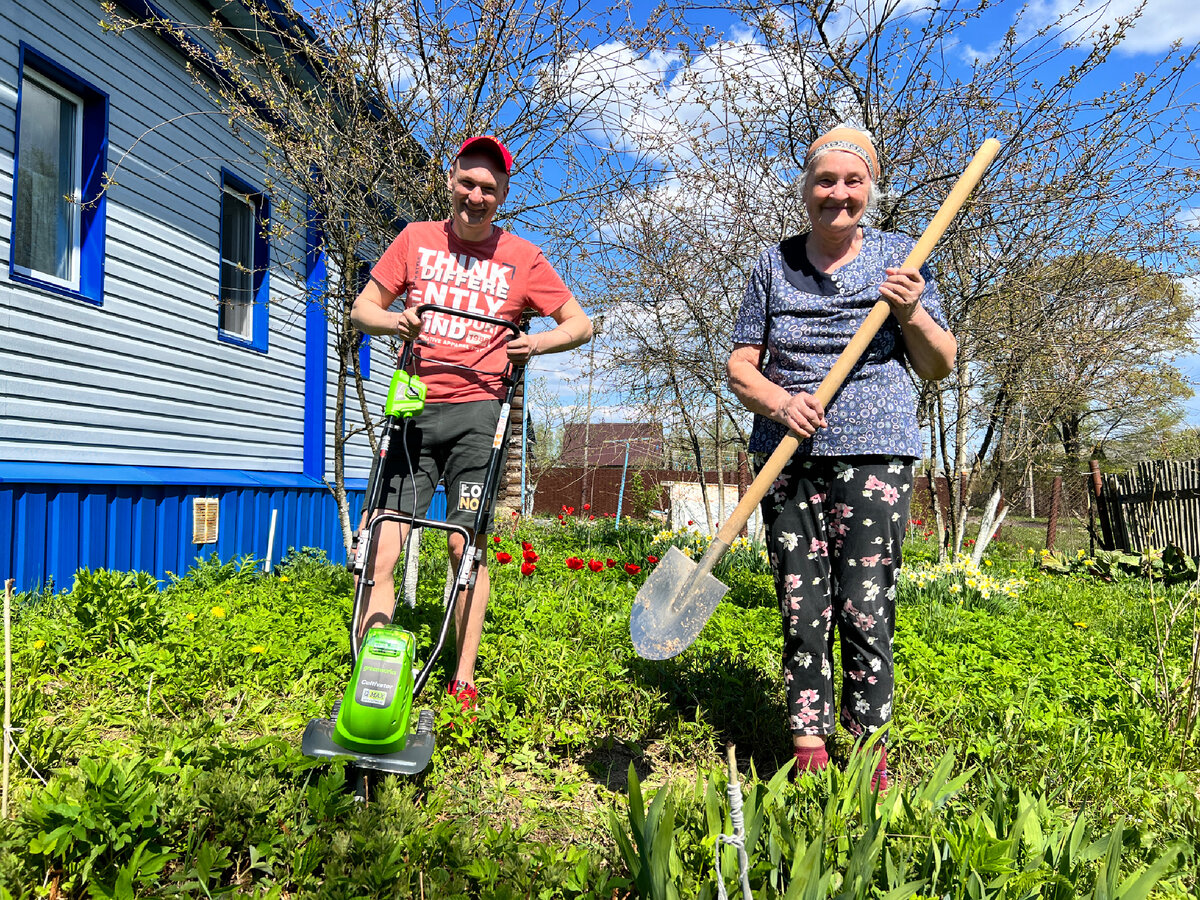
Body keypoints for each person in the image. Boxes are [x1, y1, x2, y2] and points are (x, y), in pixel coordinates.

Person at [726, 125, 956, 789]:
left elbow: (940, 363)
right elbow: (741, 365)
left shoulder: (902, 259)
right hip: (787, 454)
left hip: (874, 451)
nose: (839, 193)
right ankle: (808, 751)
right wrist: (778, 402)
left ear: (870, 190)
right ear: (805, 189)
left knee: (864, 604)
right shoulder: (773, 264)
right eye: (825, 180)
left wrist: (910, 312)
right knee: (802, 605)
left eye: (852, 181)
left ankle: (869, 761)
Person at [350, 135, 592, 710]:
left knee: (465, 548)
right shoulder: (415, 239)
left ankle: (462, 680)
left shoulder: (524, 258)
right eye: (468, 183)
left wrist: (534, 344)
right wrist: (396, 323)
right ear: (451, 180)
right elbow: (363, 309)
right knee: (383, 542)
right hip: (412, 411)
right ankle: (371, 679)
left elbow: (580, 325)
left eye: (489, 188)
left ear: (503, 195)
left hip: (479, 416)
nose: (476, 196)